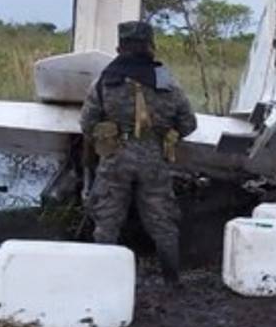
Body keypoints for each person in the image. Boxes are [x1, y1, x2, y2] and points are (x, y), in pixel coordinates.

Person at [79, 21, 197, 285]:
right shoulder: (166, 81)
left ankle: (101, 281)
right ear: (151, 48)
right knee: (163, 223)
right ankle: (172, 281)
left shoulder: (105, 81)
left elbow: (87, 124)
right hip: (154, 159)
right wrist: (168, 133)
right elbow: (189, 124)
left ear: (119, 48)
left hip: (115, 159)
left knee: (107, 223)